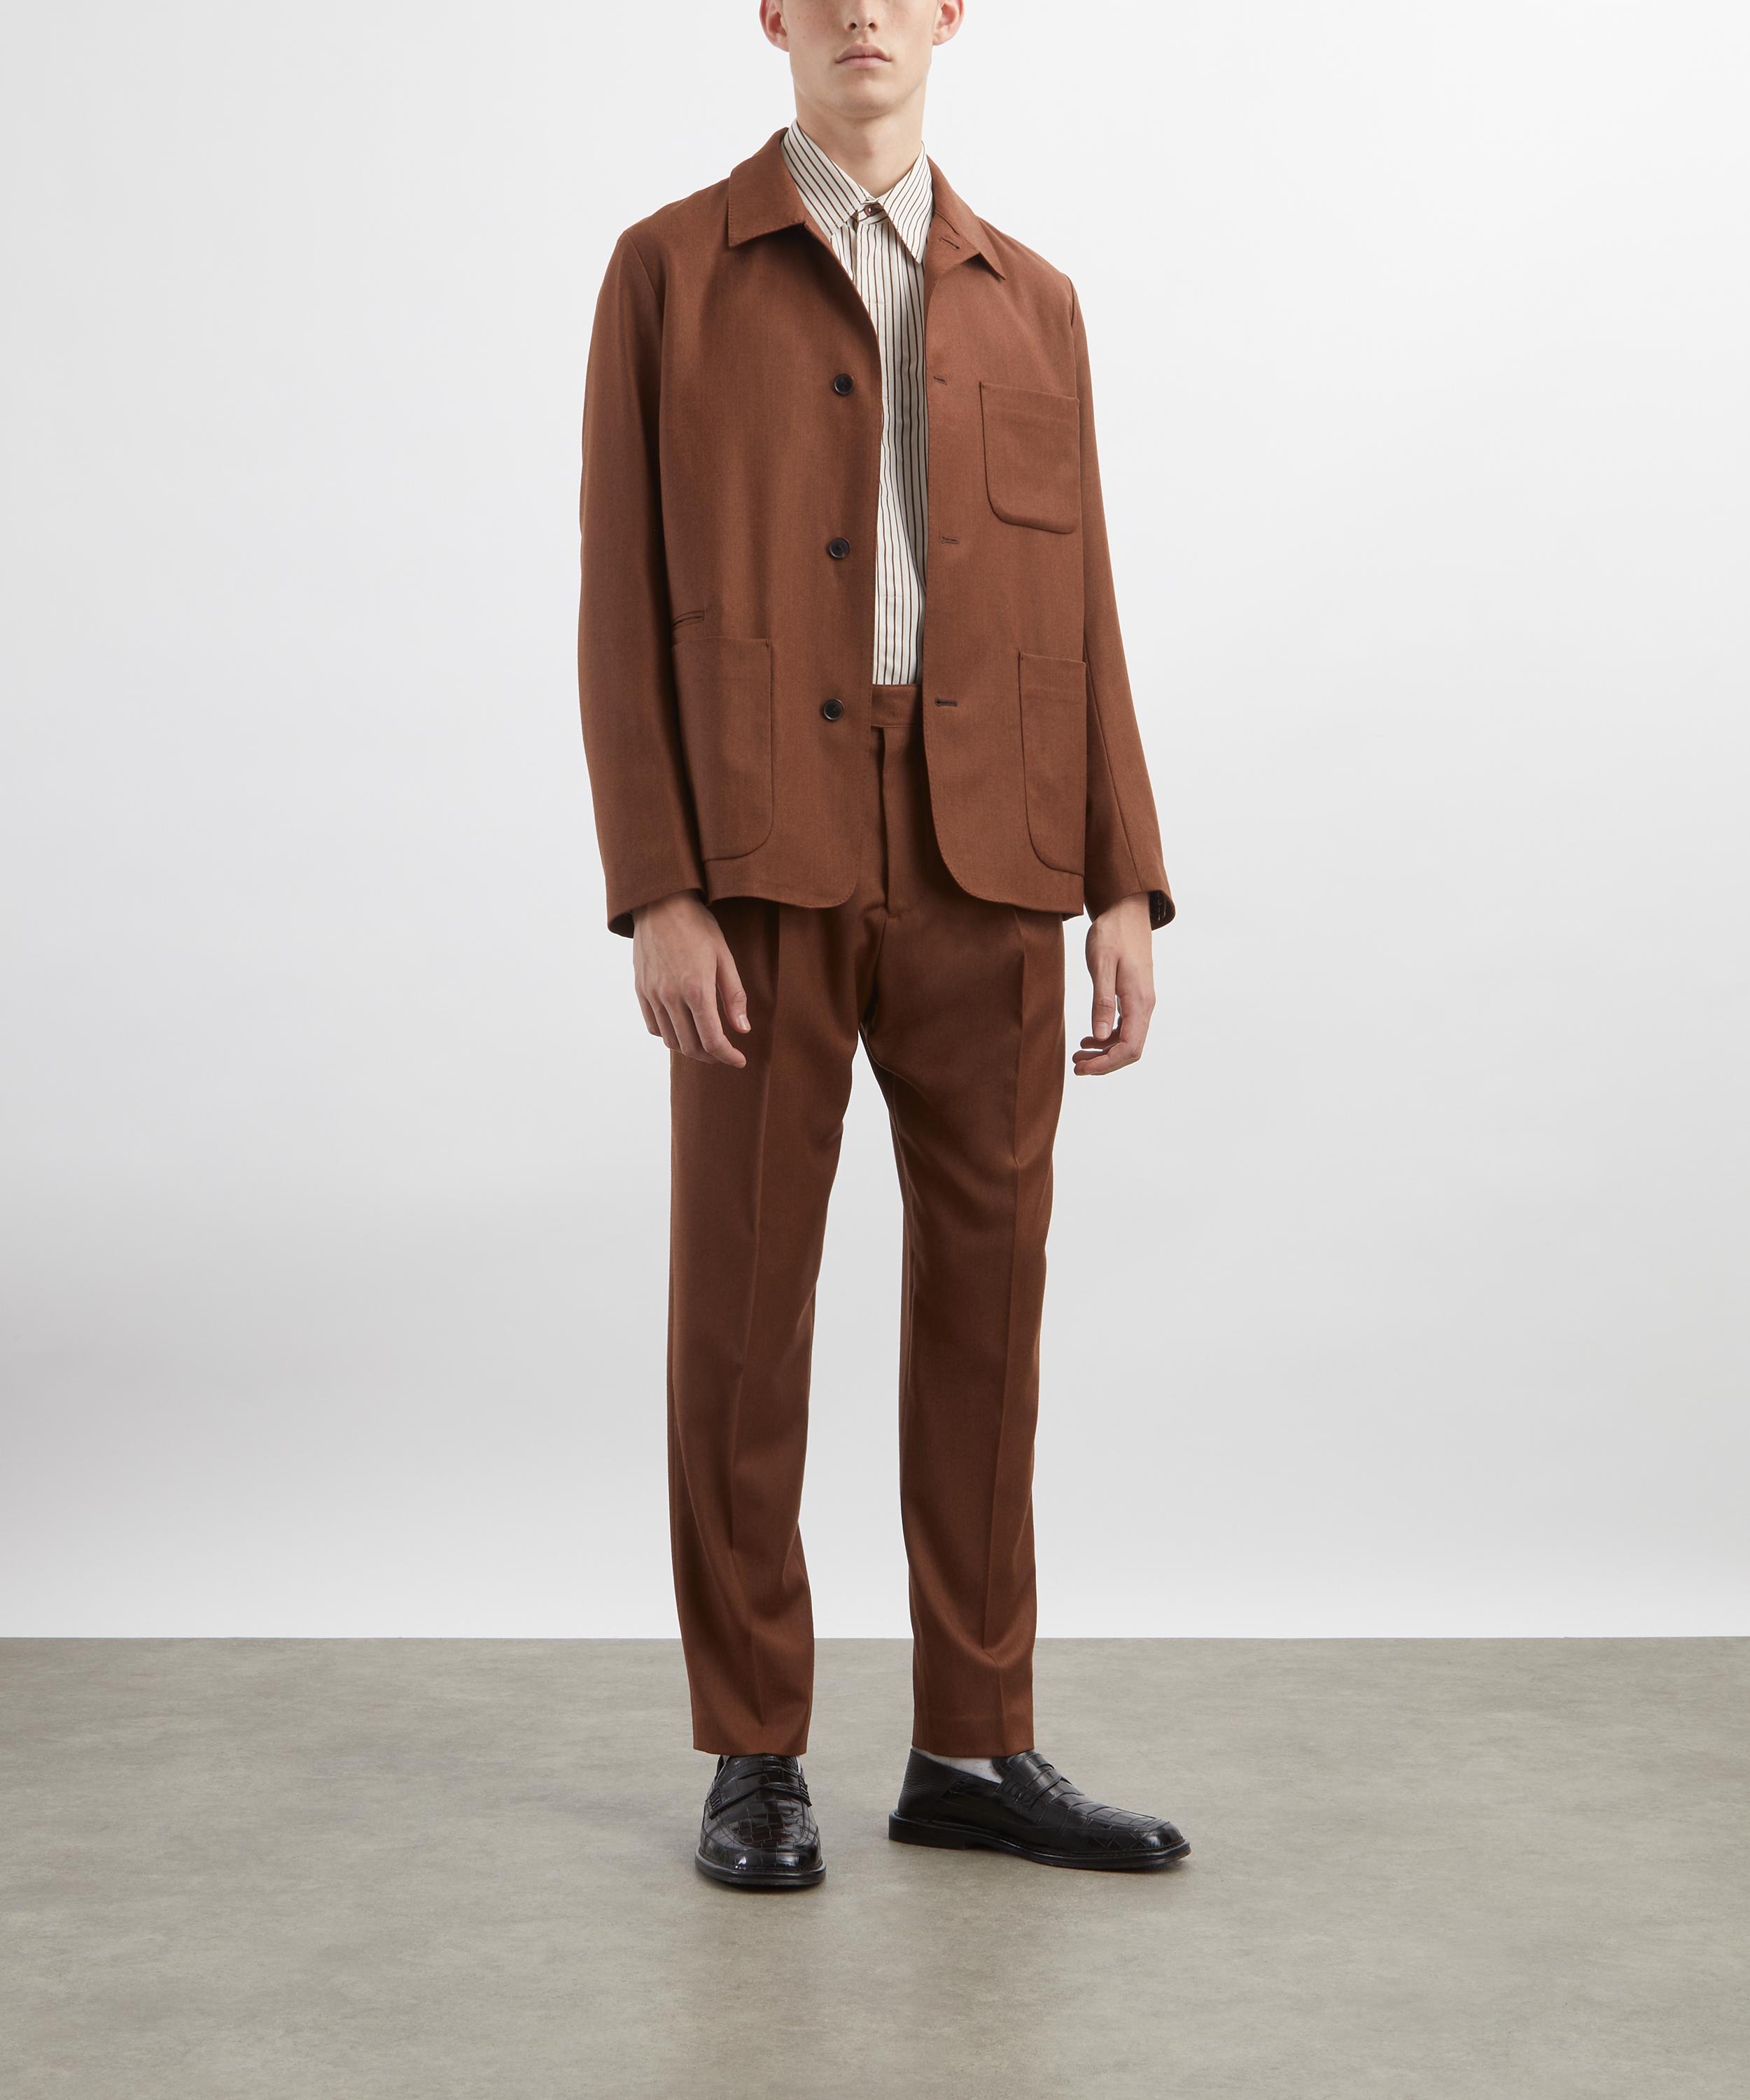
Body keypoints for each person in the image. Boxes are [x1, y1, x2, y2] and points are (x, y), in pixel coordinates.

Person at [576, 0, 1189, 1888]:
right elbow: (616, 594)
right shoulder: (670, 273)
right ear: (772, 14)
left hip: (994, 852)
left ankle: (973, 1745)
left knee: (990, 1311)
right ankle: (754, 1750)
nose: (862, 10)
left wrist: (1121, 874)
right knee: (742, 1316)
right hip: (761, 849)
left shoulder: (1035, 300)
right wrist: (657, 883)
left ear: (946, 16)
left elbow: (1083, 600)